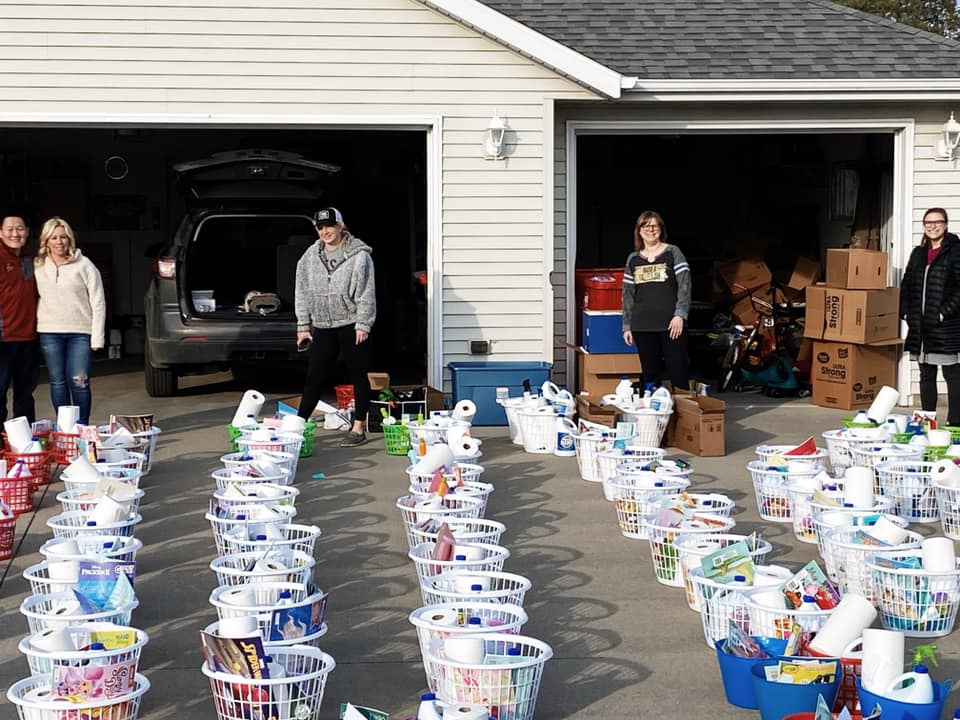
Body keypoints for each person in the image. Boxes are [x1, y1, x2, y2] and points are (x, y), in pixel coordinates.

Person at [295, 207, 376, 447]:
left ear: (341, 225)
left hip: (351, 323)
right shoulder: (309, 257)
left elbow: (366, 293)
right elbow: (301, 291)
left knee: (358, 374)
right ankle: (297, 426)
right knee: (314, 376)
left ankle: (359, 426)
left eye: (329, 226)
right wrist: (303, 325)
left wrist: (364, 323)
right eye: (320, 227)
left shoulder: (360, 256)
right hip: (322, 324)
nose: (325, 231)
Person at [34, 217, 106, 425]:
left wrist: (97, 338)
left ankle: (82, 426)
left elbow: (98, 301)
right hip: (49, 332)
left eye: (63, 237)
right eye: (54, 237)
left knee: (79, 381)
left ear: (70, 239)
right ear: (46, 241)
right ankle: (66, 428)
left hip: (80, 333)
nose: (59, 242)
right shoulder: (37, 266)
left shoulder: (84, 265)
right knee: (57, 382)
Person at [900, 207, 960, 426]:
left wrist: (944, 312)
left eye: (937, 222)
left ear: (945, 224)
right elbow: (906, 283)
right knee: (925, 375)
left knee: (952, 374)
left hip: (944, 326)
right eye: (928, 223)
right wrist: (905, 310)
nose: (933, 226)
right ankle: (928, 421)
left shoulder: (955, 251)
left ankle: (955, 424)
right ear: (924, 227)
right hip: (920, 326)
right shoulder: (918, 253)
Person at [621, 210, 691, 391]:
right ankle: (653, 415)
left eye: (654, 225)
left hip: (671, 325)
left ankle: (685, 416)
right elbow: (628, 295)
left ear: (661, 228)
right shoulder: (633, 259)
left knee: (678, 372)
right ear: (639, 230)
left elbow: (685, 285)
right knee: (650, 375)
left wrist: (680, 315)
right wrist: (627, 326)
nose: (650, 229)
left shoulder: (673, 252)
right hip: (642, 325)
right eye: (645, 226)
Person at [0, 214, 40, 427]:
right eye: (10, 229)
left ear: (27, 232)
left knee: (25, 395)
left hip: (29, 337)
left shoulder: (31, 257)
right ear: (0, 232)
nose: (15, 233)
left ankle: (24, 444)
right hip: (3, 338)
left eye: (20, 229)